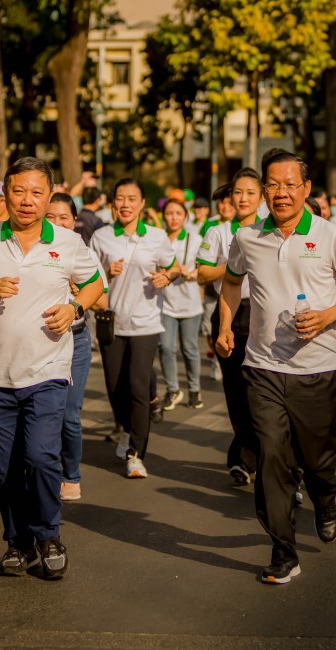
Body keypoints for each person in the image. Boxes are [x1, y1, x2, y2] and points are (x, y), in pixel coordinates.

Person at [216, 151, 336, 584]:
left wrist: (328, 315)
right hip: (262, 367)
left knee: (317, 459)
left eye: (290, 184)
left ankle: (325, 499)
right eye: (273, 184)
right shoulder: (247, 237)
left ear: (306, 189)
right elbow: (231, 282)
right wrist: (227, 323)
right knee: (271, 458)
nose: (280, 192)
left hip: (318, 366)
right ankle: (284, 551)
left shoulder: (331, 236)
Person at [0, 157, 104, 580]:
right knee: (2, 469)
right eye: (19, 191)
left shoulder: (68, 243)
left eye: (37, 192)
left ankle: (48, 534)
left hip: (49, 370)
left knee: (39, 456)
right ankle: (17, 543)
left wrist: (74, 307)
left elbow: (94, 285)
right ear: (6, 193)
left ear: (49, 195)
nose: (27, 200)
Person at [90, 177, 181, 479]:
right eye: (120, 198)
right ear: (112, 203)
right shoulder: (101, 237)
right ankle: (127, 431)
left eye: (132, 199)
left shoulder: (156, 237)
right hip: (111, 324)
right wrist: (105, 271)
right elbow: (86, 279)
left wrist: (167, 277)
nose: (125, 204)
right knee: (116, 390)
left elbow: (175, 267)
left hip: (145, 324)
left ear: (142, 204)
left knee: (138, 388)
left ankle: (136, 455)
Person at [197, 168, 264, 484]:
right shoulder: (219, 232)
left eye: (250, 192)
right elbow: (203, 274)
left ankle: (251, 455)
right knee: (236, 391)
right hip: (228, 312)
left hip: (264, 313)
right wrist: (237, 262)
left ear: (261, 196)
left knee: (261, 390)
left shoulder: (271, 229)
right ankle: (245, 457)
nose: (243, 198)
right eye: (238, 192)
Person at [45, 193, 108, 501]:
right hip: (41, 341)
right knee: (45, 414)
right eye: (51, 217)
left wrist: (79, 293)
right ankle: (46, 472)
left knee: (69, 413)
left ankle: (71, 474)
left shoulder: (83, 252)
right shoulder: (34, 251)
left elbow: (104, 300)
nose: (58, 223)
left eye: (64, 218)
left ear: (74, 221)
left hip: (76, 340)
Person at [158, 198, 204, 411]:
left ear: (185, 217)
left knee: (190, 349)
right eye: (169, 213)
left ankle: (195, 390)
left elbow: (204, 268)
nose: (173, 218)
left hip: (190, 303)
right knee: (166, 347)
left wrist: (192, 274)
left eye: (178, 213)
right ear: (163, 216)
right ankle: (172, 389)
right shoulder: (158, 239)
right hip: (165, 303)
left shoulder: (195, 239)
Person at [198, 186, 235, 382]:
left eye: (229, 201)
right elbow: (203, 270)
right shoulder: (211, 228)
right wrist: (231, 266)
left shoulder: (258, 227)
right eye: (221, 202)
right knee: (211, 328)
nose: (225, 206)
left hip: (250, 303)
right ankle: (217, 361)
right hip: (218, 293)